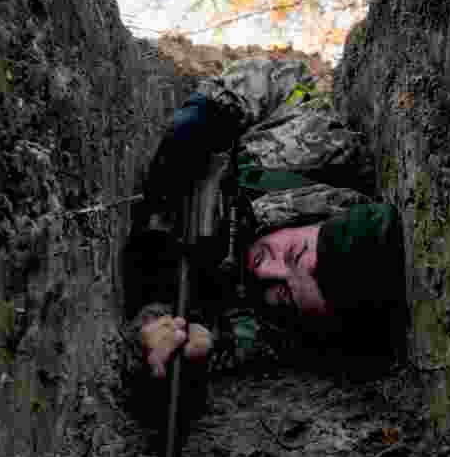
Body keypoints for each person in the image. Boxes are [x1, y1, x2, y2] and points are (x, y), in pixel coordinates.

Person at [119, 57, 408, 437]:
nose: (265, 272)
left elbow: (237, 342)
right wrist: (207, 114)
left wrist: (169, 334)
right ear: (316, 221)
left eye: (284, 293)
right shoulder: (324, 149)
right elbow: (288, 80)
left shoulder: (283, 331)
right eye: (293, 255)